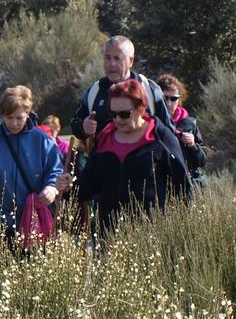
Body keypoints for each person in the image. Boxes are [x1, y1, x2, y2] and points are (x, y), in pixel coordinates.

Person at [77, 79, 193, 235]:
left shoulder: (161, 137)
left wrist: (184, 229)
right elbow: (88, 185)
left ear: (140, 108)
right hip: (110, 234)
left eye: (124, 114)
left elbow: (183, 184)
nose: (118, 119)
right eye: (113, 114)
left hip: (152, 234)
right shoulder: (104, 138)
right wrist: (68, 186)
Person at [0, 86, 63, 251]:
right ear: (3, 115)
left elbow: (56, 171)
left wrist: (51, 187)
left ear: (28, 113)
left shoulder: (43, 140)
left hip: (31, 216)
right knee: (4, 263)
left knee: (29, 264)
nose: (14, 123)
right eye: (9, 118)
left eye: (19, 118)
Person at [71, 36, 174, 143]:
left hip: (145, 153)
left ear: (130, 61)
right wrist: (83, 127)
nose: (112, 64)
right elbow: (75, 124)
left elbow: (168, 130)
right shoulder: (95, 91)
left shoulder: (149, 89)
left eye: (117, 58)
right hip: (103, 154)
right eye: (107, 58)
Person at [156, 73, 207, 186]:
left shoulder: (190, 124)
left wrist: (193, 145)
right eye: (165, 98)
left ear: (179, 99)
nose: (169, 103)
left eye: (174, 98)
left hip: (187, 184)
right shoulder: (152, 124)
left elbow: (201, 161)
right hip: (161, 185)